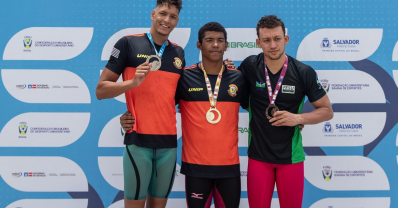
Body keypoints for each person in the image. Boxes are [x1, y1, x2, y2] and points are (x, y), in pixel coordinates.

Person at [121, 22, 247, 208]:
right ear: (199, 45)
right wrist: (127, 117)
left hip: (229, 169)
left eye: (220, 40)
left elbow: (258, 107)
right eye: (209, 40)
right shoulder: (184, 77)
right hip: (196, 168)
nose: (215, 45)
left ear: (226, 45)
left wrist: (290, 117)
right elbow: (158, 104)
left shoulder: (238, 78)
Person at [96, 0, 186, 208]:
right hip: (138, 142)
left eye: (173, 16)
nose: (167, 20)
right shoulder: (128, 43)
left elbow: (172, 97)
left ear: (177, 21)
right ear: (153, 14)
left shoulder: (178, 53)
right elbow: (101, 90)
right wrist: (132, 83)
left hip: (168, 144)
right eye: (163, 13)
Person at [239, 15, 333, 208]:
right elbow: (232, 92)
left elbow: (326, 111)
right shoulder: (250, 66)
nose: (273, 45)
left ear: (286, 39)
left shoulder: (303, 72)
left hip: (291, 158)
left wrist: (298, 118)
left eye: (277, 39)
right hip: (259, 158)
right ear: (258, 43)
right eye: (266, 40)